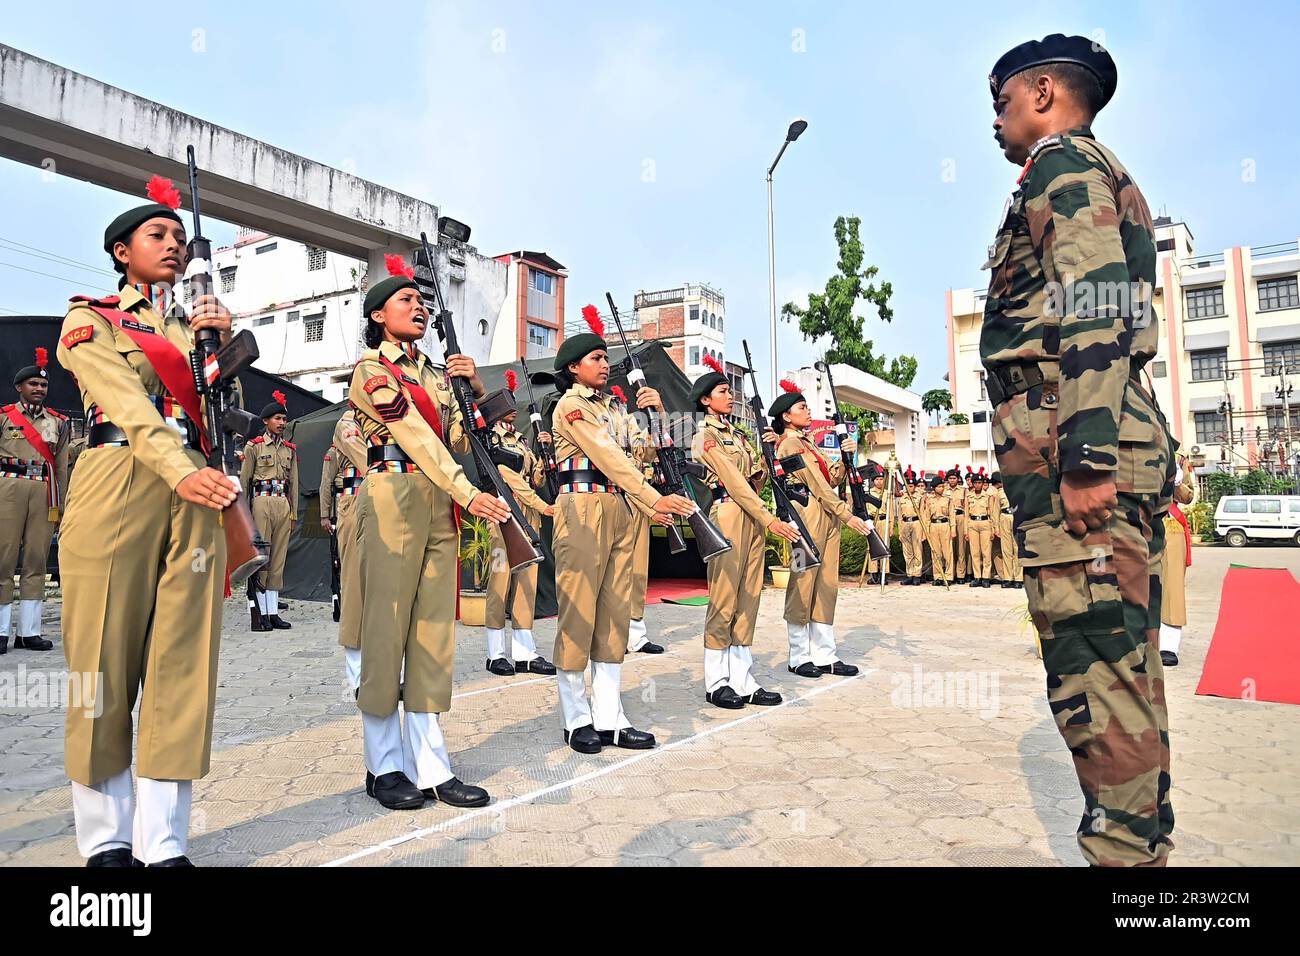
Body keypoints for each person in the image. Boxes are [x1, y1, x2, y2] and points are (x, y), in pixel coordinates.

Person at [983, 34, 1175, 865]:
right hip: (1086, 433)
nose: (994, 125)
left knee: (1096, 673)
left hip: (1074, 441)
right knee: (1120, 669)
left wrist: (1086, 455)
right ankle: (1139, 850)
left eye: (1000, 103)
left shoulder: (1062, 165)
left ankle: (1127, 859)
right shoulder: (1093, 169)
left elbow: (1092, 304)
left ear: (1044, 92)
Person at [56, 176, 240, 865]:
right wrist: (180, 468)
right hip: (119, 483)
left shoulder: (191, 333)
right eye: (156, 235)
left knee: (180, 666)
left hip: (196, 490)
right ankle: (105, 839)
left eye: (178, 237)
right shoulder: (91, 318)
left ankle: (163, 842)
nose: (173, 245)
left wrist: (218, 354)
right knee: (101, 661)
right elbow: (128, 408)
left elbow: (222, 417)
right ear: (120, 250)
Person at [348, 254, 511, 810]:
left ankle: (433, 765)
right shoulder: (372, 371)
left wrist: (474, 391)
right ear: (377, 316)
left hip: (439, 503)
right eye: (405, 301)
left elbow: (462, 444)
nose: (418, 308)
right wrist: (467, 492)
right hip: (393, 498)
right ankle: (384, 766)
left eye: (421, 301)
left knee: (432, 639)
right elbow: (414, 436)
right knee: (387, 632)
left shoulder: (438, 376)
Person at [548, 306, 696, 753]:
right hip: (582, 508)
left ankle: (610, 717)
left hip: (619, 508)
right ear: (573, 367)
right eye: (594, 357)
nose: (604, 363)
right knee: (578, 614)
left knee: (614, 616)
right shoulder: (571, 407)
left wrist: (657, 414)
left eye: (604, 357)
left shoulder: (617, 408)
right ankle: (576, 719)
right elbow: (609, 455)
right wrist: (652, 498)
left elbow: (644, 453)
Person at [689, 354, 800, 707]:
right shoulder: (705, 435)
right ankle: (716, 679)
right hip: (729, 514)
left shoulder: (738, 434)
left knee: (748, 597)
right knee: (724, 598)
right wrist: (770, 519)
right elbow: (733, 482)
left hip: (750, 514)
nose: (730, 396)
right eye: (723, 391)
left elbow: (754, 478)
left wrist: (767, 456)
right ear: (706, 400)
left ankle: (742, 678)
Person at [771, 379, 873, 677]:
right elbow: (817, 484)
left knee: (826, 585)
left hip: (824, 517)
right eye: (802, 407)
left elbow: (832, 479)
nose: (808, 410)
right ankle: (799, 655)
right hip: (807, 518)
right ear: (786, 417)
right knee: (803, 583)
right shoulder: (789, 444)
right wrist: (846, 514)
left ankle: (825, 653)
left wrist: (845, 456)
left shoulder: (809, 443)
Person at [484, 370, 557, 677]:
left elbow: (534, 479)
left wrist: (543, 453)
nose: (512, 409)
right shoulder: (492, 440)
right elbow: (510, 479)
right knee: (500, 584)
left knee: (527, 585)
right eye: (506, 405)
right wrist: (544, 506)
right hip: (504, 516)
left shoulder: (521, 439)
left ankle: (525, 652)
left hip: (528, 517)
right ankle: (495, 653)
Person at [1, 347, 69, 652]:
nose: (39, 389)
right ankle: (1, 631)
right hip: (8, 489)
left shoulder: (59, 422)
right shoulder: (4, 417)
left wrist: (64, 505)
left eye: (43, 385)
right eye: (33, 384)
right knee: (2, 561)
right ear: (20, 388)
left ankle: (29, 632)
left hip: (44, 492)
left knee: (36, 561)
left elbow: (62, 467)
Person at [608, 384, 665, 655]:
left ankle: (636, 632)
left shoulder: (629, 420)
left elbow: (647, 452)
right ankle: (611, 631)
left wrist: (657, 418)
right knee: (613, 569)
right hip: (609, 496)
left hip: (638, 495)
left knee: (638, 567)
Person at [319, 402, 368, 690]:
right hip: (352, 502)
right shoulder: (348, 425)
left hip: (382, 504)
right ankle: (356, 675)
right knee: (352, 586)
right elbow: (327, 483)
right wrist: (325, 514)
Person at [241, 391, 298, 630]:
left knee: (278, 560)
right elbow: (244, 481)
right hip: (261, 502)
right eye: (277, 418)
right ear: (265, 421)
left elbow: (294, 482)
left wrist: (293, 512)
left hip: (281, 502)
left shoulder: (290, 449)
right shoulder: (253, 447)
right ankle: (260, 612)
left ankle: (273, 612)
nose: (282, 423)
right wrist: (242, 516)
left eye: (284, 420)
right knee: (261, 560)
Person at [1159, 459, 1195, 666]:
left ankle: (1168, 645)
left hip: (1168, 524)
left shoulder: (1178, 456)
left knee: (1171, 587)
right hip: (1133, 522)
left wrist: (1177, 482)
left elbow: (1188, 496)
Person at [990, 472, 1022, 588]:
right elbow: (995, 511)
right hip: (1004, 518)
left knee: (1017, 549)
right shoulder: (1000, 493)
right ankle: (1008, 578)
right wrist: (996, 527)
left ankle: (1019, 578)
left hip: (1017, 518)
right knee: (1006, 550)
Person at [922, 474, 955, 586]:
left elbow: (952, 515)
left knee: (947, 552)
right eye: (939, 487)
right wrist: (926, 531)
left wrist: (953, 529)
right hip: (933, 526)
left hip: (945, 525)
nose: (941, 488)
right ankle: (938, 576)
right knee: (936, 552)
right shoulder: (929, 500)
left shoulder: (948, 499)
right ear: (934, 488)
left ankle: (949, 576)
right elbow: (926, 517)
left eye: (942, 486)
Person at [964, 469, 995, 587]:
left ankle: (986, 577)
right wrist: (966, 531)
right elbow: (966, 514)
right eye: (975, 482)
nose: (977, 484)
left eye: (979, 483)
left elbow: (991, 513)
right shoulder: (969, 496)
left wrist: (993, 529)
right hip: (972, 524)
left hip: (985, 523)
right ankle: (977, 577)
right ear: (972, 483)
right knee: (975, 552)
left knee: (986, 552)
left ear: (983, 484)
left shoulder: (988, 496)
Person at [897, 468, 925, 585]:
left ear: (915, 486)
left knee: (917, 549)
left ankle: (917, 575)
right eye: (908, 486)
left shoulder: (919, 497)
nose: (910, 488)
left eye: (912, 486)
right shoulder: (902, 498)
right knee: (907, 551)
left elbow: (923, 514)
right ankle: (909, 574)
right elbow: (899, 516)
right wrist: (899, 531)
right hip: (905, 523)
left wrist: (924, 531)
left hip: (916, 523)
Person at [864, 466, 892, 581]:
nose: (879, 481)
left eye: (881, 479)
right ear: (873, 481)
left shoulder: (887, 493)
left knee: (884, 547)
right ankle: (873, 573)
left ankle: (883, 574)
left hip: (883, 521)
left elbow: (891, 511)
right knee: (872, 547)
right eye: (877, 479)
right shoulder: (868, 493)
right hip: (871, 522)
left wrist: (890, 526)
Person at [945, 466, 970, 583]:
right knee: (949, 548)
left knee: (961, 547)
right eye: (950, 478)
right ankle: (951, 574)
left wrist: (966, 527)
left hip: (960, 517)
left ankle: (961, 574)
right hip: (948, 519)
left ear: (958, 478)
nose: (952, 480)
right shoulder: (944, 490)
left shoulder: (963, 490)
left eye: (954, 478)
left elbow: (966, 508)